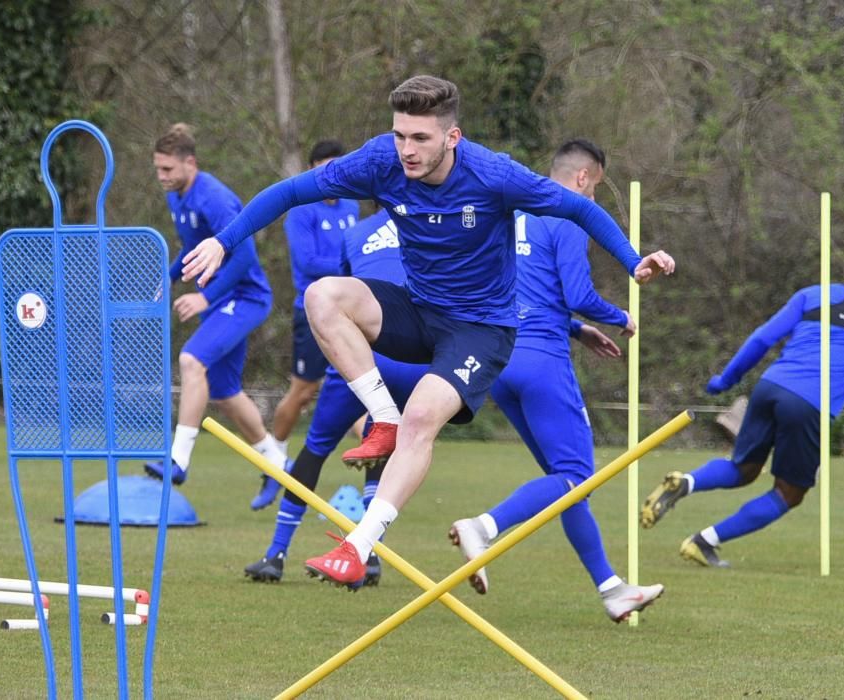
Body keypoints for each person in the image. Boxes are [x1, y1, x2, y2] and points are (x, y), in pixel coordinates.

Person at [180, 75, 675, 587]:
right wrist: (223, 241)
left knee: (422, 416)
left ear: (452, 138)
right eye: (400, 135)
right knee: (322, 295)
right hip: (418, 310)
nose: (407, 150)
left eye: (420, 139)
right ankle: (381, 416)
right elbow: (288, 193)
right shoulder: (380, 162)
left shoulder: (494, 175)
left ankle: (358, 545)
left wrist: (634, 260)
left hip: (480, 330)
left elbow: (575, 206)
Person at [448, 139, 664, 623]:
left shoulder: (515, 210)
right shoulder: (567, 214)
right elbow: (579, 292)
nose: (596, 200)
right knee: (574, 477)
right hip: (542, 360)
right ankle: (483, 526)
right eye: (599, 187)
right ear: (584, 178)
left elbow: (519, 290)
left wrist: (579, 330)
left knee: (566, 485)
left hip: (499, 361)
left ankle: (612, 589)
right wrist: (619, 317)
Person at [640, 233, 844, 567]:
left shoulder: (814, 294)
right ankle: (703, 541)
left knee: (742, 469)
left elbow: (762, 338)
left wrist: (726, 379)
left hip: (770, 387)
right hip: (809, 405)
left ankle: (686, 482)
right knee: (789, 493)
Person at [245, 209, 430, 586]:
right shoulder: (431, 227)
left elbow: (344, 297)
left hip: (361, 359)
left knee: (315, 448)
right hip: (412, 358)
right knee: (385, 444)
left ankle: (276, 554)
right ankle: (370, 553)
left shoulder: (356, 232)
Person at [144, 123, 287, 487]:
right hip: (221, 301)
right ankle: (277, 463)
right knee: (224, 391)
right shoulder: (176, 195)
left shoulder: (214, 198)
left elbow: (244, 258)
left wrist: (203, 296)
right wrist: (168, 278)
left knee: (191, 360)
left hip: (246, 298)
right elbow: (191, 248)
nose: (161, 177)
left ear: (190, 163)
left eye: (167, 170)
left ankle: (177, 460)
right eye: (158, 168)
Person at [250, 141, 361, 508]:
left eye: (338, 167)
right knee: (302, 391)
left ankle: (376, 482)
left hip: (349, 310)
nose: (333, 176)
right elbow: (310, 262)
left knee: (358, 386)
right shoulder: (301, 211)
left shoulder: (352, 205)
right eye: (325, 168)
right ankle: (273, 464)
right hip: (312, 311)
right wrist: (353, 267)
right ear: (314, 171)